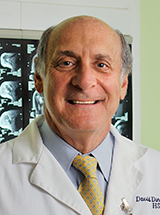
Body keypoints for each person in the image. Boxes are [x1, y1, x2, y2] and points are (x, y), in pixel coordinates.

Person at [0, 15, 160, 215]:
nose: (84, 81)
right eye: (66, 63)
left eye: (101, 65)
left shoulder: (157, 171)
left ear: (123, 84)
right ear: (39, 78)